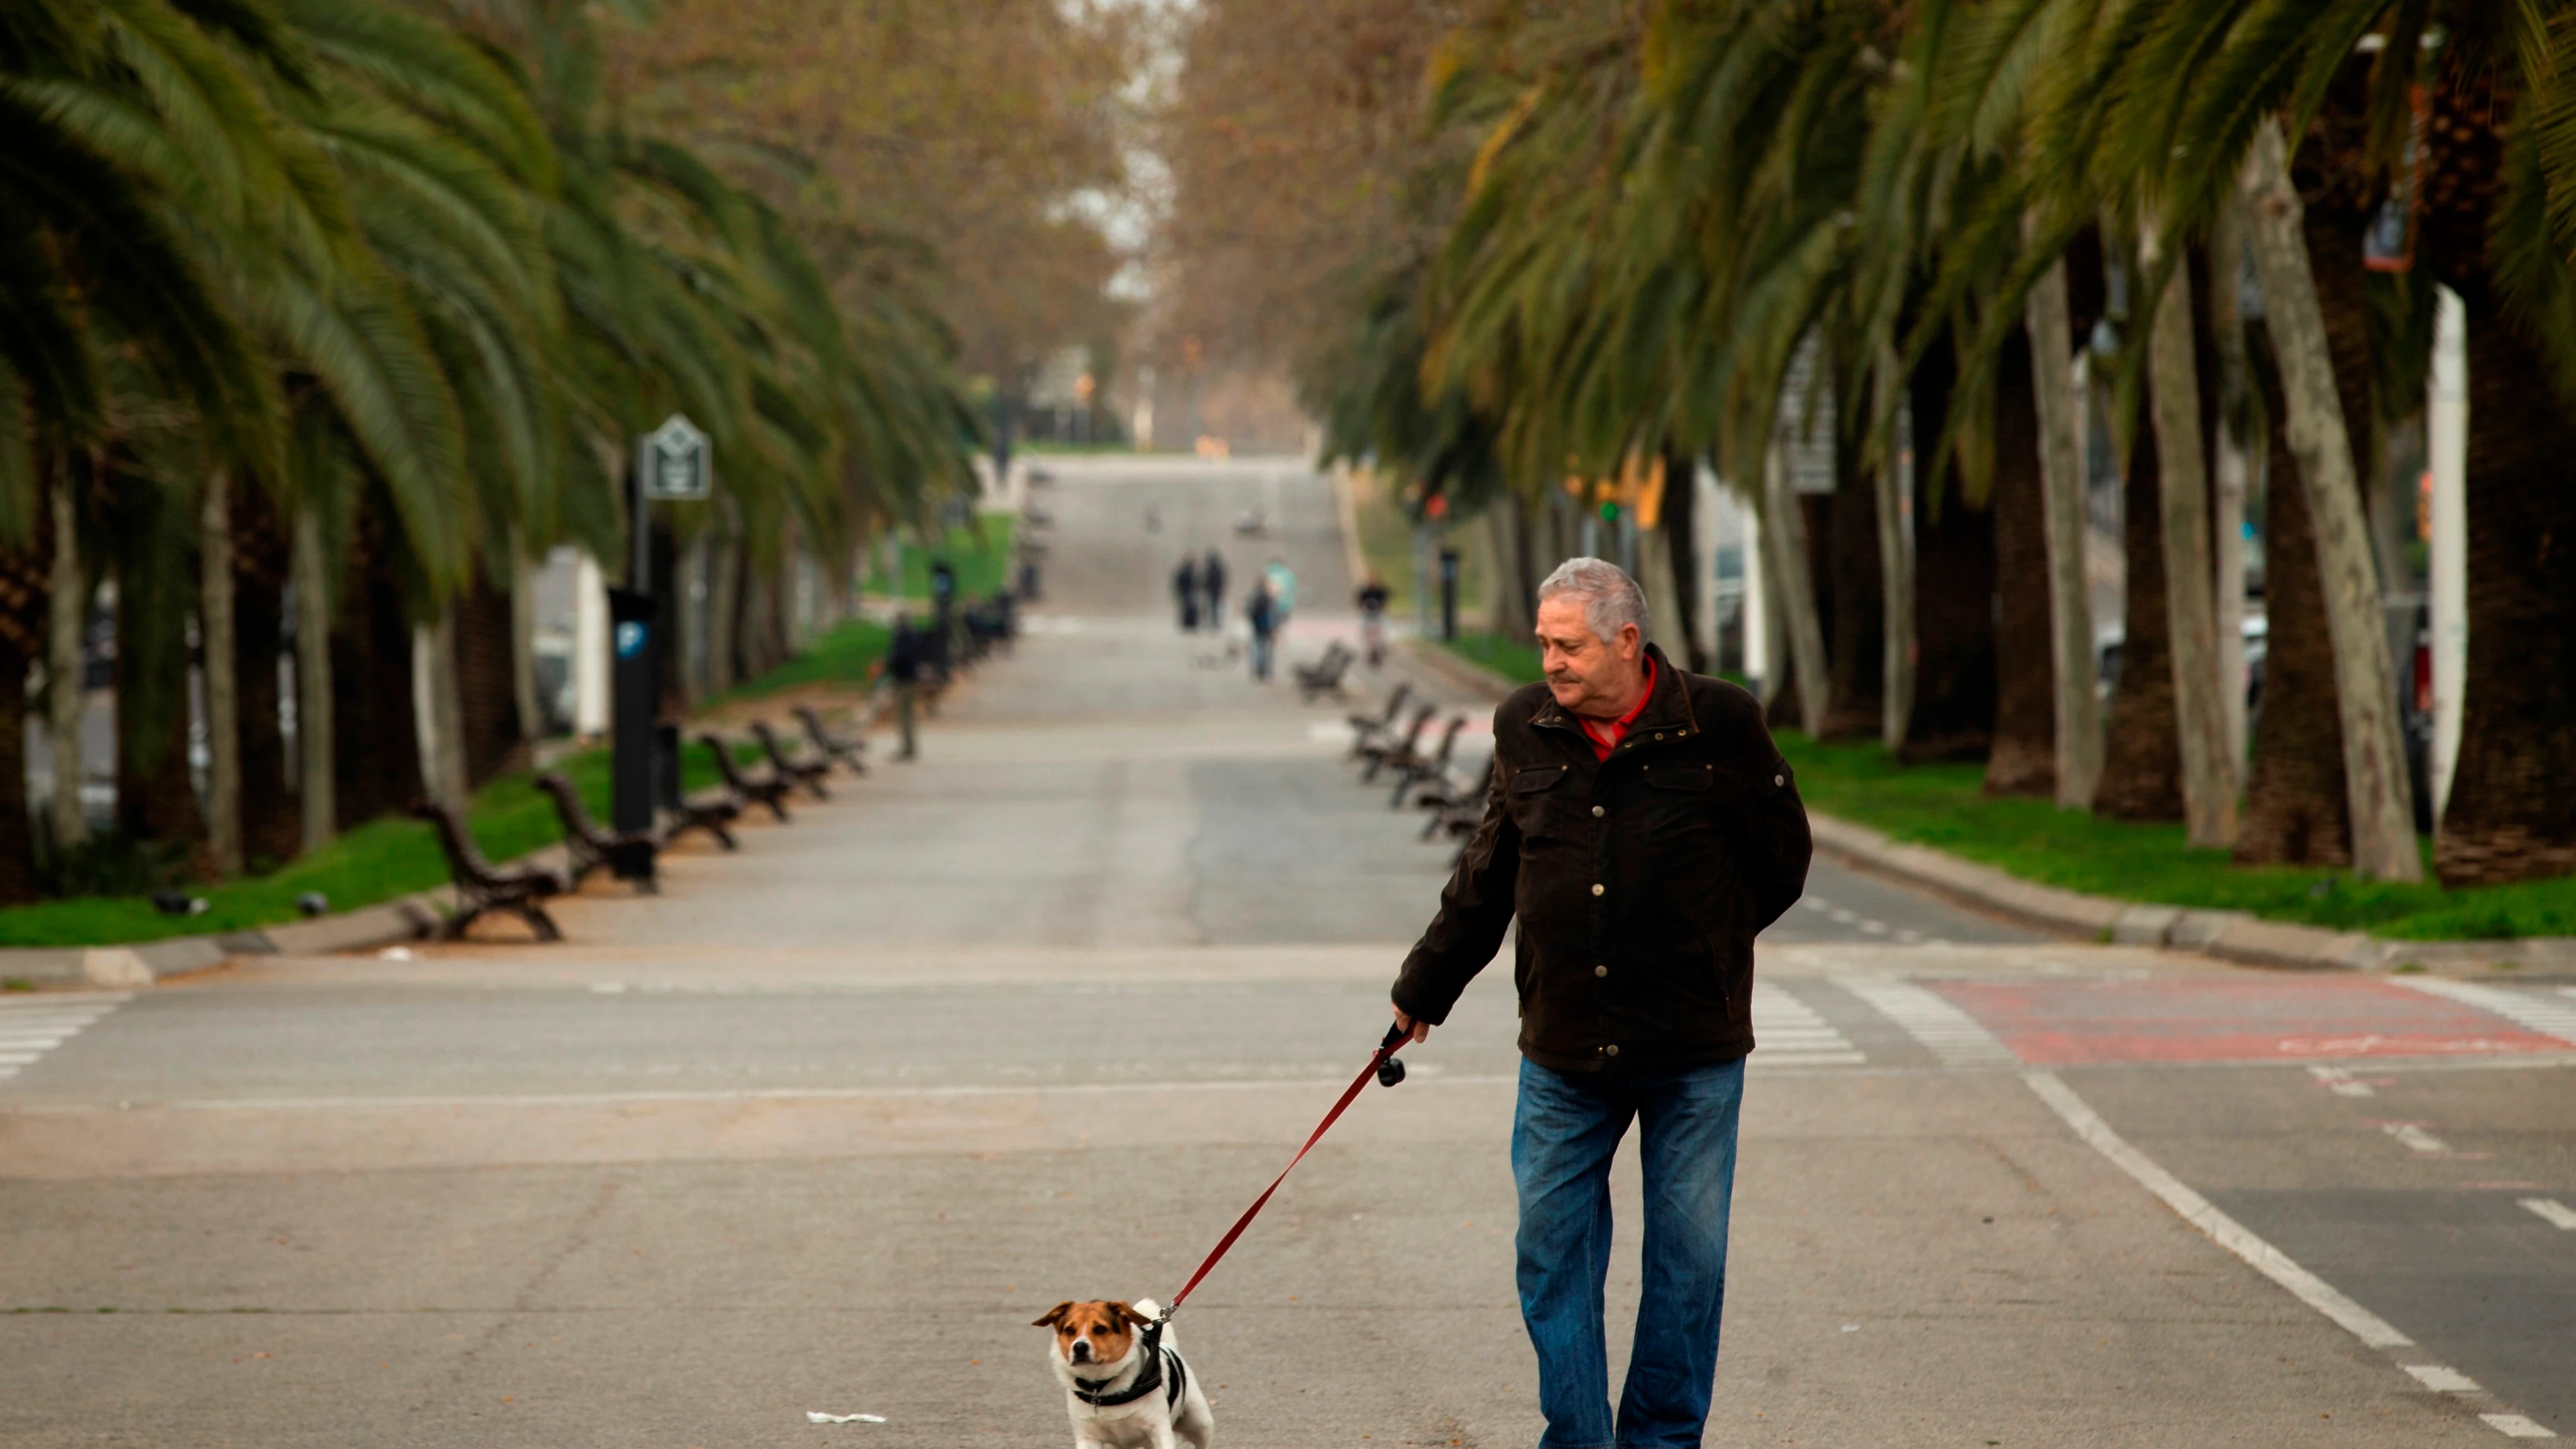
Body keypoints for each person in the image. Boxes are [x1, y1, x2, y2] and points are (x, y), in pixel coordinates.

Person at [1385, 557, 1810, 1449]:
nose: (1550, 661)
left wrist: (1706, 944)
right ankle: (1578, 1438)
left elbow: (1782, 859)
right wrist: (1425, 986)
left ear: (1627, 639)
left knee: (1686, 1265)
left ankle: (1658, 1440)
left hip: (1692, 1046)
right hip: (1563, 1048)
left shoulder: (1719, 721)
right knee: (1550, 1250)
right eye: (1543, 642)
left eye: (1567, 644)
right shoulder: (1524, 727)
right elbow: (1492, 866)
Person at [883, 613, 925, 760]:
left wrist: (886, 666)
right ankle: (909, 747)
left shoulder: (902, 635)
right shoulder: (913, 634)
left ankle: (907, 748)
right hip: (910, 677)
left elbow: (899, 656)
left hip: (903, 679)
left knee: (904, 715)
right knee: (907, 714)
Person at [1355, 572, 1391, 668]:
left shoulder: (1381, 592)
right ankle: (1370, 650)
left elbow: (1385, 603)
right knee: (1367, 632)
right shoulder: (1365, 592)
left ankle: (1378, 649)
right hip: (1367, 615)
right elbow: (1359, 603)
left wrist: (1380, 608)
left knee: (1380, 632)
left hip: (1378, 615)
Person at [1245, 580, 1278, 682]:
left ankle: (1257, 670)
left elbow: (1249, 612)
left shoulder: (1254, 597)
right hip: (1266, 627)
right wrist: (1274, 628)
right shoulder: (1268, 599)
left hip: (1257, 626)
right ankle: (1263, 671)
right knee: (1265, 650)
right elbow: (1272, 615)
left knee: (1257, 647)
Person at [1202, 548, 1229, 629]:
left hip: (1213, 590)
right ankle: (1213, 622)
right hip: (1214, 590)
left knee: (1214, 607)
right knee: (1213, 607)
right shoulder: (1216, 569)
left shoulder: (1213, 569)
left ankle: (1214, 622)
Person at [1173, 556, 1201, 631]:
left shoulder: (1190, 572)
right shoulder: (1188, 573)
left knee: (1189, 609)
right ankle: (1189, 624)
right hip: (1187, 593)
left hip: (1188, 593)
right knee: (1187, 609)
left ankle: (1190, 624)